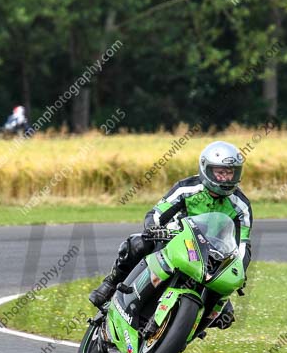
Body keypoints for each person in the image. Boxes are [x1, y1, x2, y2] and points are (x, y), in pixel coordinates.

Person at [89, 140, 253, 332]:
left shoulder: (241, 205)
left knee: (223, 313)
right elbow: (157, 213)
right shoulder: (188, 188)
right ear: (206, 169)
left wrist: (238, 270)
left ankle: (182, 334)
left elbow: (243, 245)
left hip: (210, 259)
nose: (225, 178)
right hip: (175, 241)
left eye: (230, 172)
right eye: (220, 172)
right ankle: (111, 283)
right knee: (137, 244)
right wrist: (153, 228)